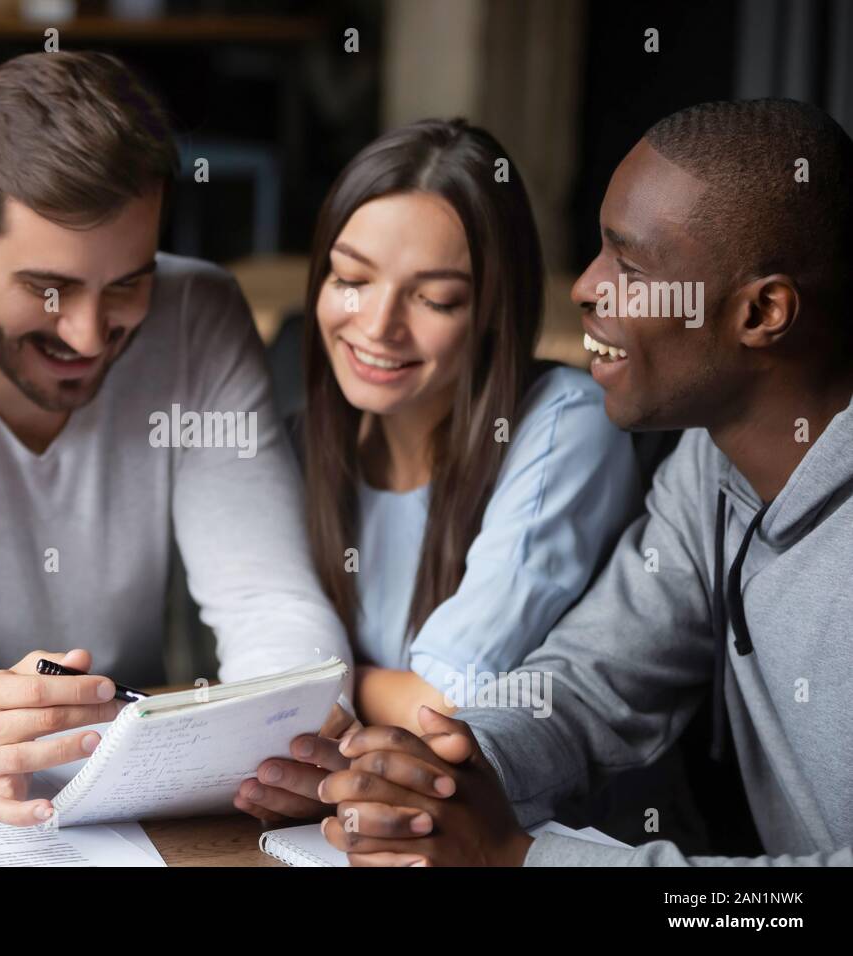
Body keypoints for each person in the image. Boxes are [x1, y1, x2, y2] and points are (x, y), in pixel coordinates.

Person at [0, 51, 351, 825]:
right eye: (49, 288)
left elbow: (268, 599)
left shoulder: (196, 316)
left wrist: (286, 736)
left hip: (130, 787)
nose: (87, 334)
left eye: (127, 285)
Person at [319, 98, 853, 866]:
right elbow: (592, 683)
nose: (584, 288)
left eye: (629, 268)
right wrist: (448, 767)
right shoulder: (710, 464)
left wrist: (519, 859)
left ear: (762, 311)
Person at [233, 120, 642, 825]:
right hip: (347, 827)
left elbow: (446, 709)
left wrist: (305, 691)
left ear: (492, 312)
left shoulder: (566, 424)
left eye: (435, 299)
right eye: (351, 279)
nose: (378, 325)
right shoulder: (297, 444)